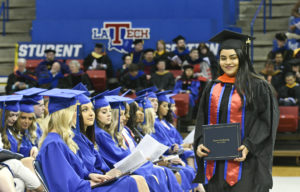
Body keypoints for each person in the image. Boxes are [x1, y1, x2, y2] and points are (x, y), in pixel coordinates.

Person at [194, 30, 279, 192]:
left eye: (233, 57)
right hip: (215, 164)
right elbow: (201, 120)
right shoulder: (212, 87)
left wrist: (249, 144)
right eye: (223, 58)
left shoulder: (257, 87)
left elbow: (266, 121)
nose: (228, 62)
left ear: (242, 58)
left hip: (245, 163)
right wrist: (199, 143)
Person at [38, 88, 137, 192]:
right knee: (132, 181)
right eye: (75, 111)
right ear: (64, 114)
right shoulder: (54, 144)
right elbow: (65, 185)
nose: (77, 115)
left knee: (133, 180)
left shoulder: (62, 140)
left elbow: (76, 171)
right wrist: (90, 182)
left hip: (85, 185)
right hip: (82, 189)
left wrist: (90, 175)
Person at [72, 90, 149, 192]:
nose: (91, 114)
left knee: (147, 176)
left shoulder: (85, 136)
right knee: (140, 178)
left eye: (92, 109)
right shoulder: (85, 136)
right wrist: (104, 174)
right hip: (90, 185)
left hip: (99, 178)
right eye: (84, 110)